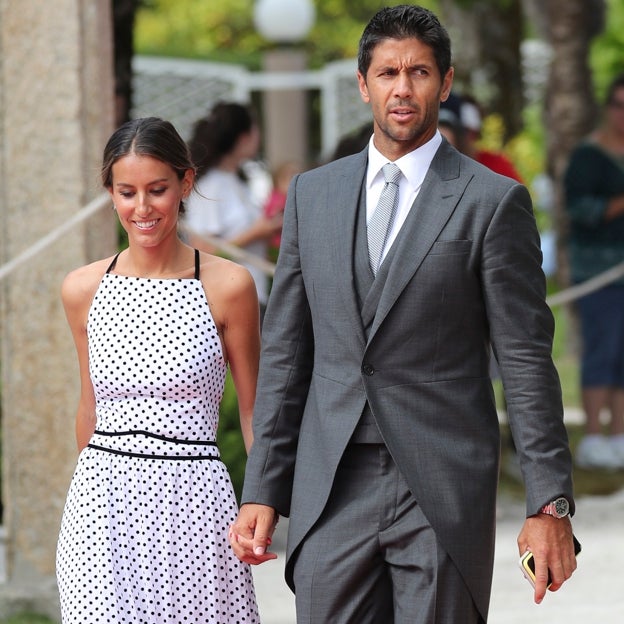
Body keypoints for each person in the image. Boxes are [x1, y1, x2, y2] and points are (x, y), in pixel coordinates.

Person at [230, 5, 577, 623]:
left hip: (441, 482)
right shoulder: (314, 195)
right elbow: (286, 353)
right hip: (331, 481)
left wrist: (547, 504)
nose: (402, 87)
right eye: (387, 72)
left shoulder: (493, 203)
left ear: (444, 83)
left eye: (419, 72)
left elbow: (526, 359)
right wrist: (263, 486)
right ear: (363, 84)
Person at [56, 117, 261, 623]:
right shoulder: (83, 289)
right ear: (110, 192)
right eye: (126, 192)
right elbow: (90, 408)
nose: (142, 208)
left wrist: (262, 504)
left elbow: (259, 414)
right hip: (100, 508)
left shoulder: (229, 285)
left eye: (157, 190)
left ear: (186, 183)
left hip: (194, 503)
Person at [564, 73, 624, 471]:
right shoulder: (586, 157)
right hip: (598, 273)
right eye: (620, 104)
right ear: (608, 108)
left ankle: (619, 436)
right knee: (601, 352)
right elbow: (581, 213)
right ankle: (593, 439)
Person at [184, 101, 282, 312]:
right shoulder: (210, 187)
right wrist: (255, 233)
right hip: (226, 301)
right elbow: (201, 253)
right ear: (243, 136)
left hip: (252, 294)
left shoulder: (237, 182)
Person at [262, 160, 302, 258]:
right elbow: (271, 216)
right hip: (277, 246)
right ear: (278, 182)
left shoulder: (296, 198)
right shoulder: (276, 198)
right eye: (289, 179)